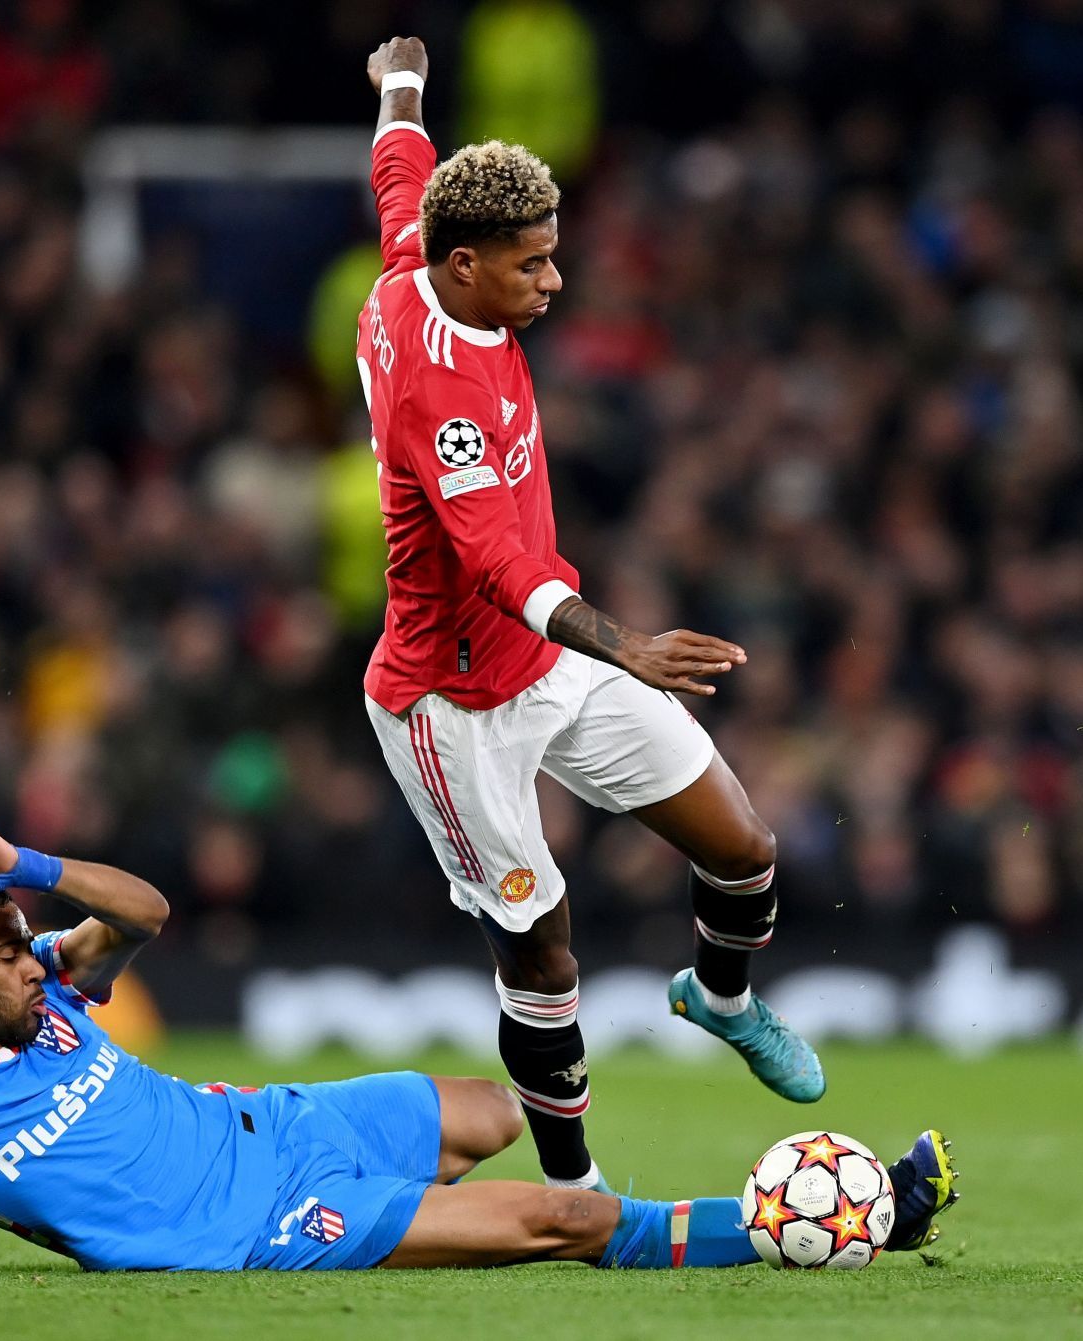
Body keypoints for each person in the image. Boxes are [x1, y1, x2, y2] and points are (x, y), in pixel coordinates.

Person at [0, 813, 958, 1280]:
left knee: (489, 1112)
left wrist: (30, 858)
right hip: (255, 1220)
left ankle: (768, 1224)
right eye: (0, 949)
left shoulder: (53, 986)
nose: (31, 957)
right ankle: (847, 1223)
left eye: (23, 937)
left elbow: (143, 906)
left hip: (271, 1121)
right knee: (565, 1217)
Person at [353, 35, 836, 1195]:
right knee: (543, 945)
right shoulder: (444, 392)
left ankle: (719, 1000)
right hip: (449, 699)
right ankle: (575, 1195)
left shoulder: (414, 263)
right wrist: (630, 646)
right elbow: (499, 561)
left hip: (542, 666)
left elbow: (399, 175)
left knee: (744, 847)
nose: (552, 284)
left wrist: (400, 86)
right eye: (531, 267)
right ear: (465, 268)